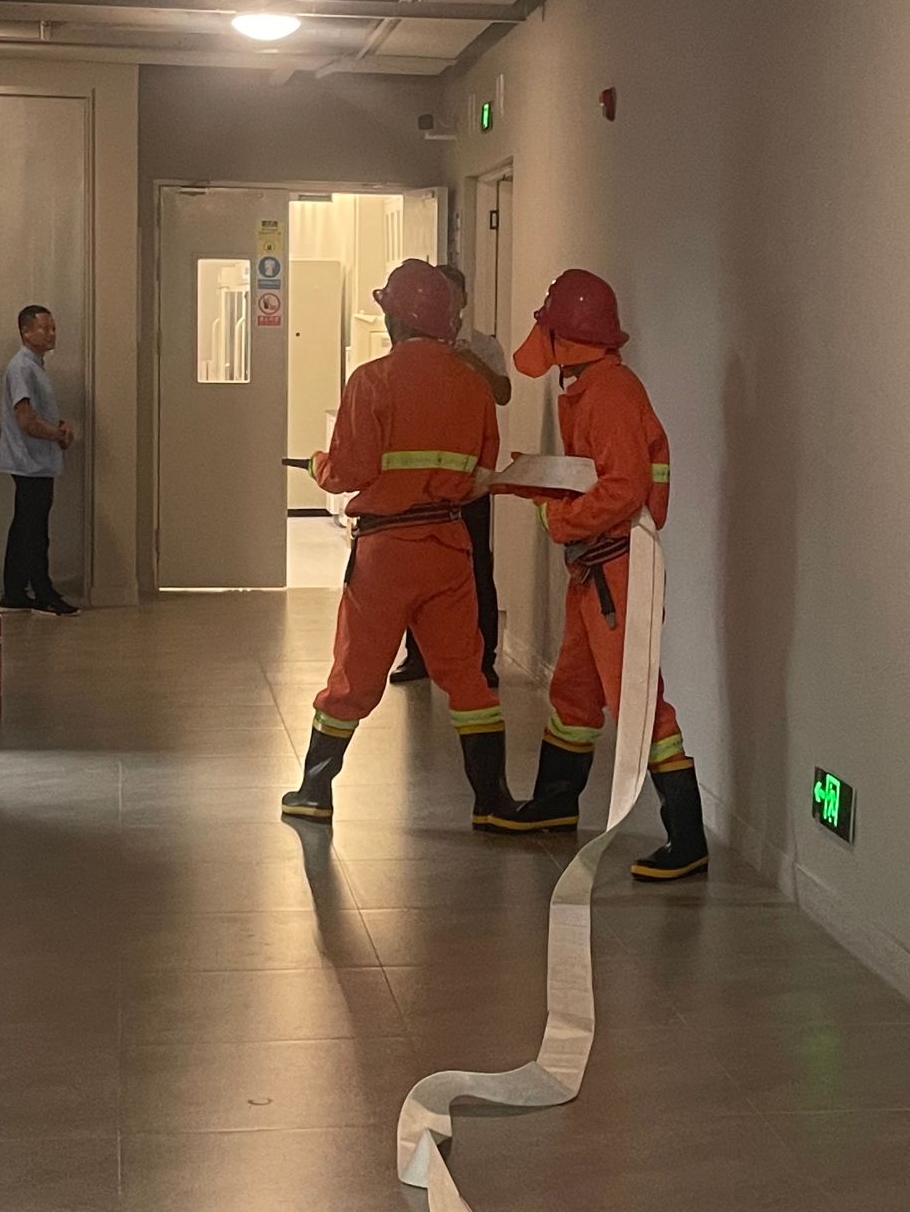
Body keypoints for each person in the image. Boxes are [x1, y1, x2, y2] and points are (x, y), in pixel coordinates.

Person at [491, 269, 708, 881]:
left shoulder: (609, 394)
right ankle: (556, 803)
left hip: (618, 569)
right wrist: (537, 482)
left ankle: (687, 838)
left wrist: (559, 520)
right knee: (575, 692)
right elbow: (598, 477)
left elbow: (623, 488)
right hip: (599, 569)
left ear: (564, 336)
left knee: (637, 701)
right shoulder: (592, 388)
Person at [282, 260, 513, 828]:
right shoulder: (474, 385)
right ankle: (492, 801)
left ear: (395, 319)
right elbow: (481, 471)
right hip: (451, 546)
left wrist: (318, 465)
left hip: (386, 553)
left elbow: (349, 472)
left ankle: (314, 791)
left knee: (354, 676)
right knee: (467, 676)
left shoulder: (371, 380)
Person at [390, 264, 507, 689]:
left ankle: (485, 658)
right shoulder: (411, 347)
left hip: (470, 477)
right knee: (417, 567)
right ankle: (418, 655)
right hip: (422, 479)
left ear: (463, 299)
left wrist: (467, 360)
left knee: (476, 565)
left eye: (451, 294)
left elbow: (503, 393)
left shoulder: (484, 345)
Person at [0, 304, 79, 617]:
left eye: (53, 327)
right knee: (34, 531)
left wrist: (59, 429)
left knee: (25, 527)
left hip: (37, 461)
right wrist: (56, 435)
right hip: (28, 461)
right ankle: (42, 592)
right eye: (44, 328)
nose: (51, 334)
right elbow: (26, 418)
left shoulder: (35, 367)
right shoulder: (22, 368)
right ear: (26, 332)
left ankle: (16, 591)